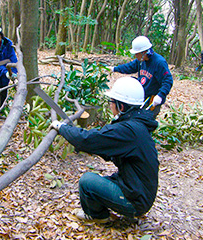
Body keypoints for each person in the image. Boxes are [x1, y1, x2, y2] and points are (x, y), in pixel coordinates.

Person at [51, 77, 159, 223]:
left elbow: (87, 140)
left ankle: (98, 216)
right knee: (99, 181)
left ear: (121, 106)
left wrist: (61, 128)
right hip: (140, 191)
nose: (110, 106)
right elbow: (105, 142)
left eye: (112, 102)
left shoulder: (128, 130)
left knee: (87, 182)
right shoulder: (136, 124)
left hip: (136, 200)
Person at [108, 36, 173, 118]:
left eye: (136, 53)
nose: (135, 56)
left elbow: (168, 80)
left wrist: (160, 95)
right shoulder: (141, 61)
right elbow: (129, 67)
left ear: (144, 52)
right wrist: (114, 69)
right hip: (141, 97)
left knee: (145, 121)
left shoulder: (159, 63)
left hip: (152, 99)